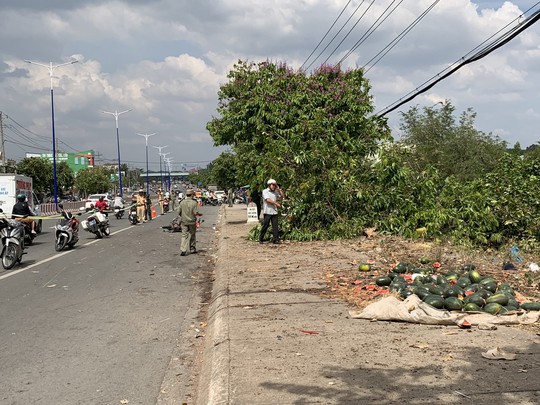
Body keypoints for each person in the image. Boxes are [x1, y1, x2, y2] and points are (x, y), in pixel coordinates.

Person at [259, 179, 284, 245]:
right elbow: (268, 200)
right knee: (266, 225)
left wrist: (280, 190)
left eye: (275, 185)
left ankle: (276, 239)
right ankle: (261, 238)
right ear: (269, 185)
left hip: (274, 211)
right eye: (273, 185)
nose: (274, 186)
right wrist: (276, 204)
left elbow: (281, 197)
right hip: (267, 211)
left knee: (275, 226)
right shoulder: (265, 191)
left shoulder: (275, 192)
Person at [178, 189, 202, 256]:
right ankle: (192, 249)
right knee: (192, 235)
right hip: (192, 221)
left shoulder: (182, 202)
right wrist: (199, 214)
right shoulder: (194, 203)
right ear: (192, 195)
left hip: (184, 221)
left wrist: (183, 216)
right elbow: (195, 213)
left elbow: (178, 212)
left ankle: (183, 250)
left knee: (184, 236)